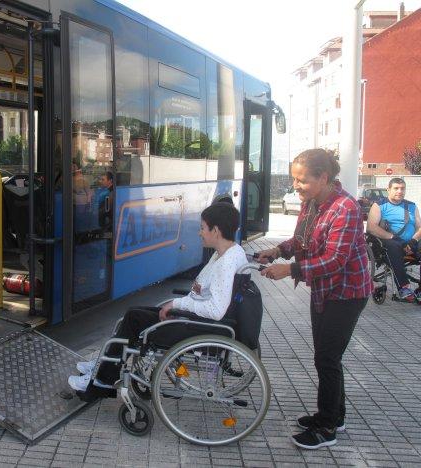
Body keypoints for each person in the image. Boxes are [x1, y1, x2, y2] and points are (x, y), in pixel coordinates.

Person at [256, 148, 372, 450]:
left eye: (301, 180)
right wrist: (279, 250)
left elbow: (335, 259)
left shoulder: (345, 208)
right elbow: (301, 240)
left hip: (347, 292)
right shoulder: (312, 202)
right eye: (295, 180)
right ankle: (335, 414)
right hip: (324, 289)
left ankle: (327, 427)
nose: (296, 186)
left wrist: (290, 269)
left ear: (323, 177)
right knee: (327, 356)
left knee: (327, 357)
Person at [68, 201, 248, 392]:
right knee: (134, 314)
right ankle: (104, 363)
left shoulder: (226, 262)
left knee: (133, 318)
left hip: (197, 326)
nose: (199, 232)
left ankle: (103, 379)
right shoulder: (229, 253)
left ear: (216, 231)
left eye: (202, 228)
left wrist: (176, 304)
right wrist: (179, 305)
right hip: (193, 319)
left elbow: (216, 310)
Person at [366, 177, 421, 302]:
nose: (399, 191)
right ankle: (404, 287)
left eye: (402, 189)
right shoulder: (380, 205)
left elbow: (419, 227)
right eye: (396, 188)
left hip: (412, 243)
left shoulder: (411, 206)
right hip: (390, 242)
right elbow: (371, 227)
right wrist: (393, 237)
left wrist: (413, 240)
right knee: (393, 246)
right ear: (388, 190)